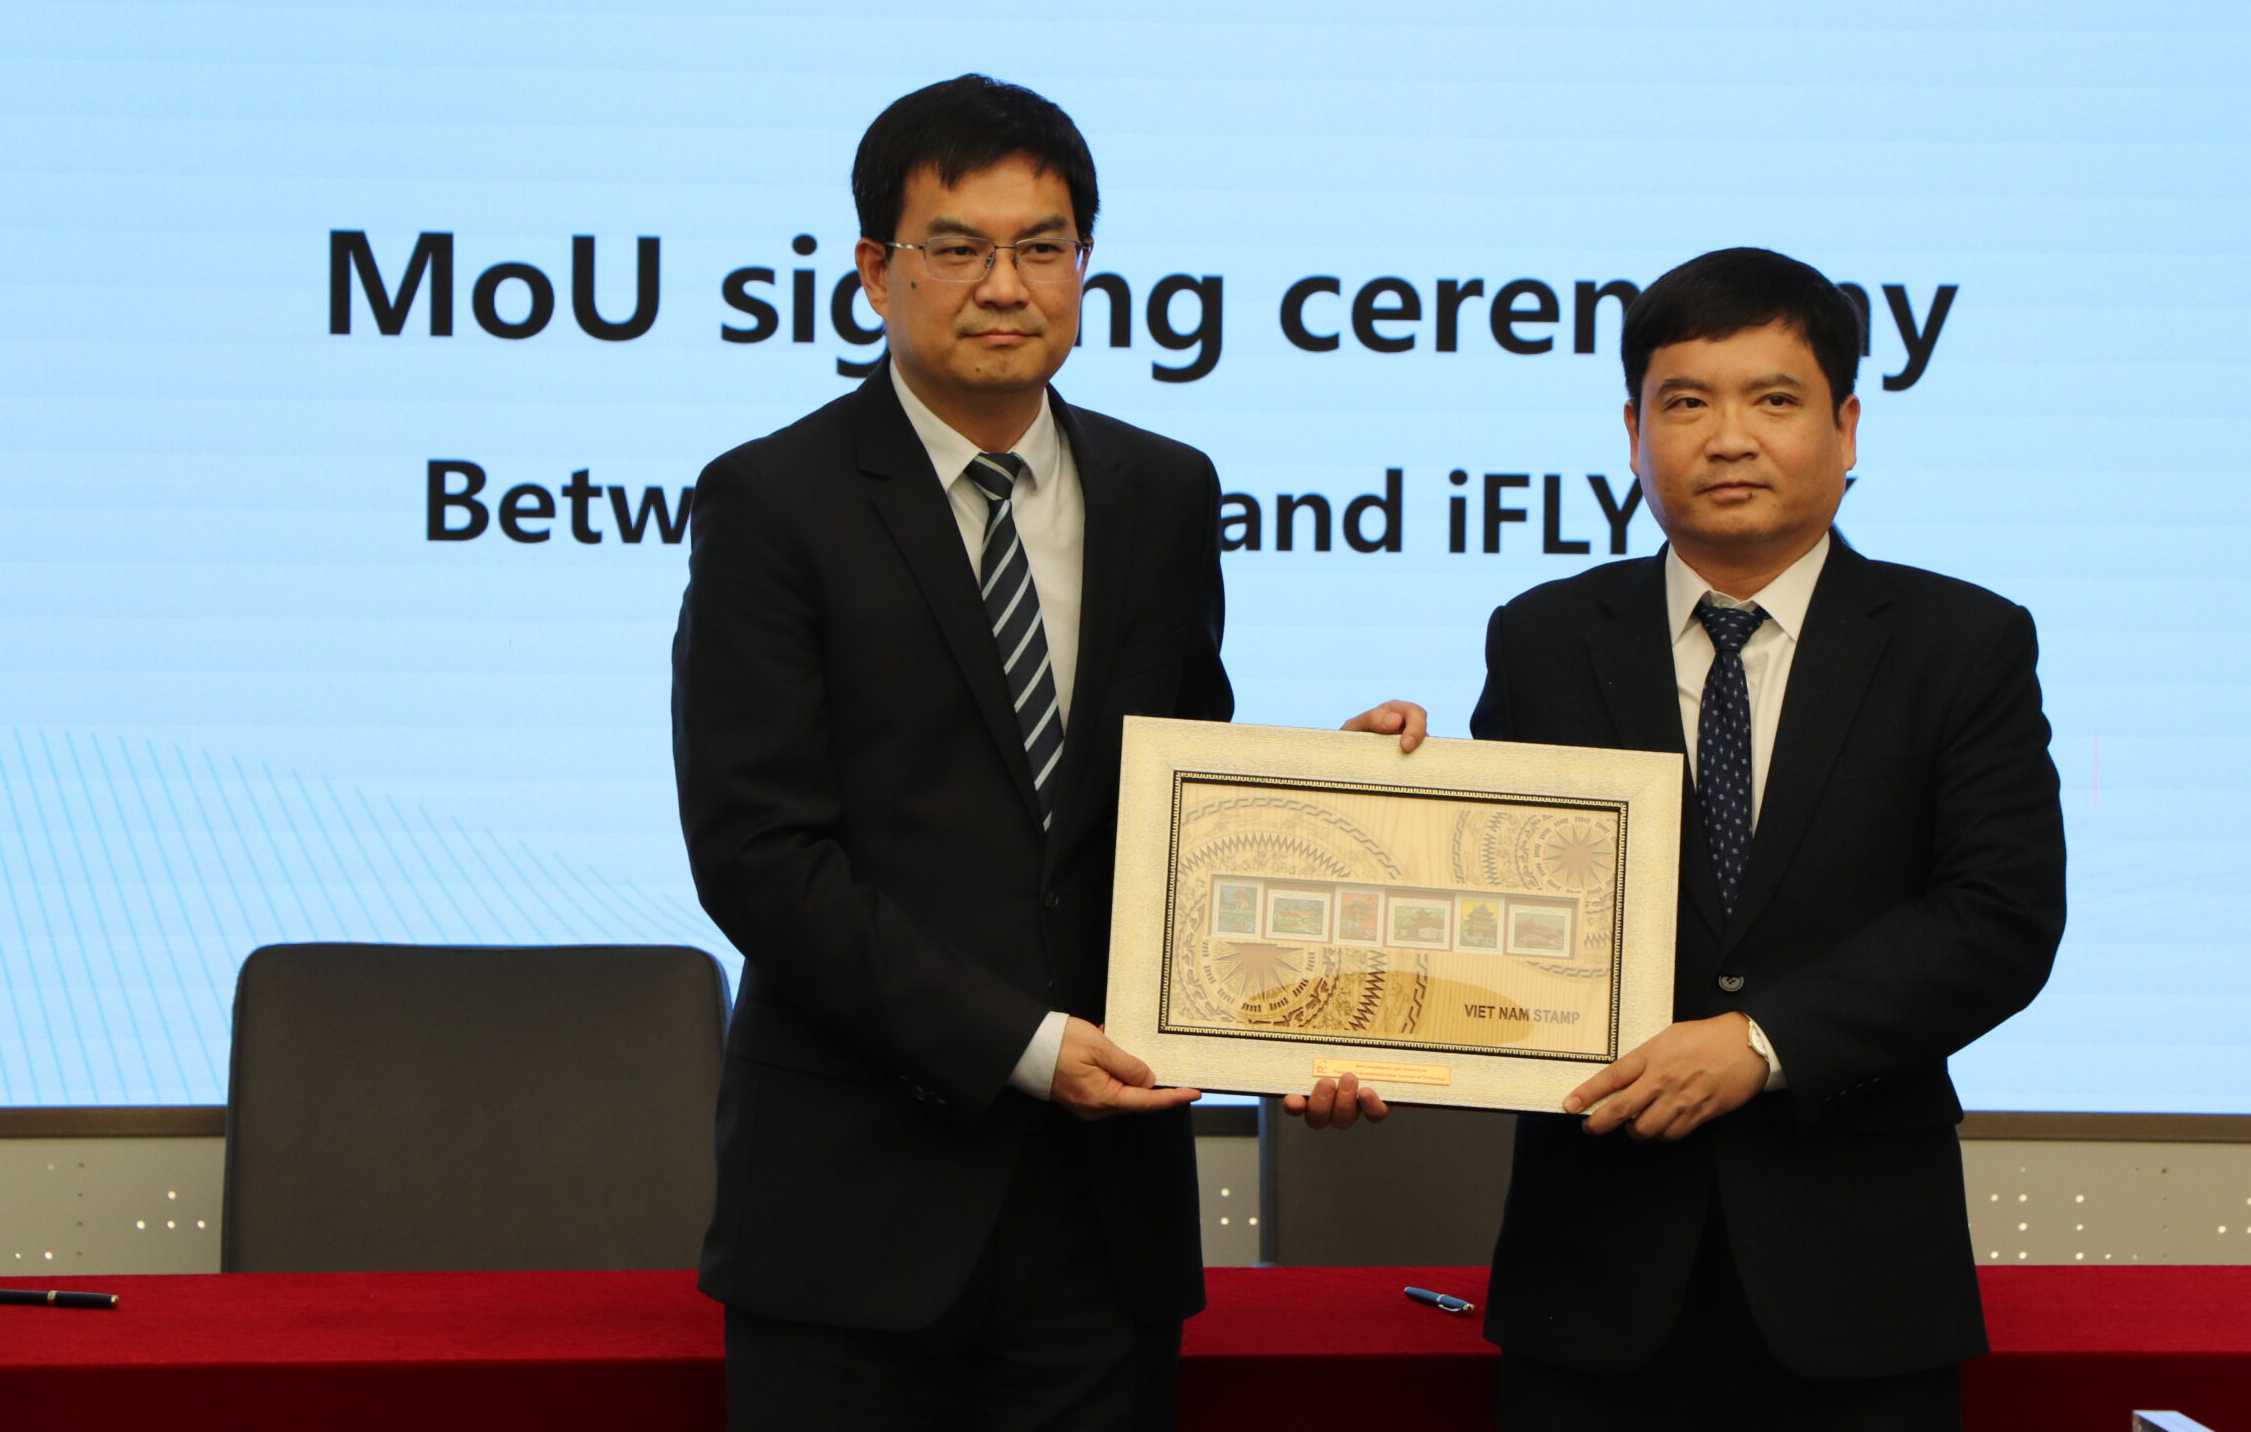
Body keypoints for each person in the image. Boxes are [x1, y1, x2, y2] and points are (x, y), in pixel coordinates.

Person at [671, 75, 1402, 1432]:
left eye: (1042, 246)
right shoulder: (774, 499)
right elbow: (759, 856)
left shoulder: (1164, 490)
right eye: (957, 247)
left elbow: (1177, 801)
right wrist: (1024, 1043)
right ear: (876, 271)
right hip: (854, 1217)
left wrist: (1340, 817)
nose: (1004, 285)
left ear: (1084, 263)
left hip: (1101, 1225)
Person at [1469, 247, 2068, 1429]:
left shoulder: (1961, 643)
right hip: (1593, 1285)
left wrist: (1761, 1041)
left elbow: (1997, 919)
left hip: (1856, 1288)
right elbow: (1496, 901)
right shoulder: (1542, 638)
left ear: (1846, 428)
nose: (1728, 438)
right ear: (1633, 431)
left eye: (1775, 399)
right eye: (1685, 402)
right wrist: (1384, 807)